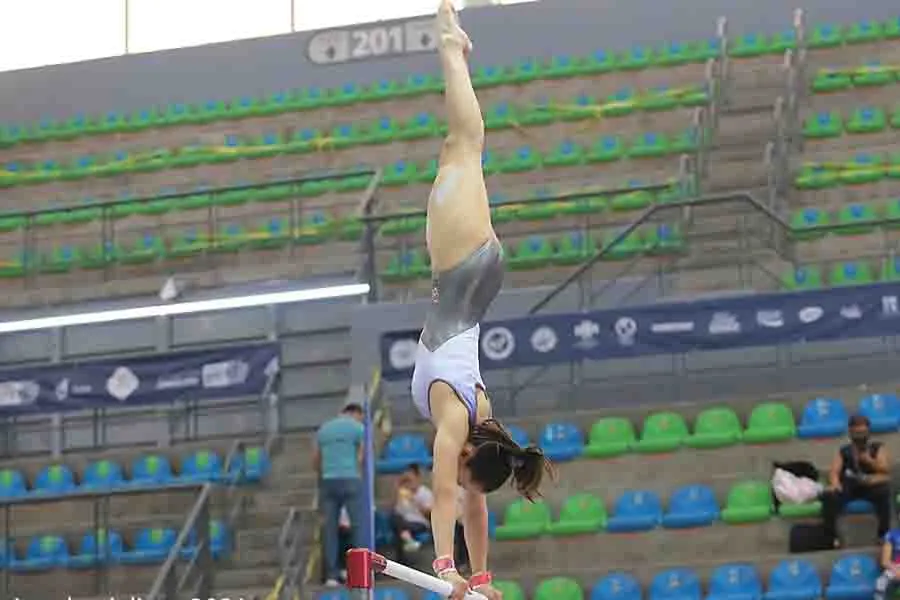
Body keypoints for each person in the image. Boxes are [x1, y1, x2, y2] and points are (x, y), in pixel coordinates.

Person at [409, 2, 555, 599]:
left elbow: (474, 501)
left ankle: (455, 52)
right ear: (469, 452)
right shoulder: (454, 418)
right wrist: (446, 568)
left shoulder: (486, 421)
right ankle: (451, 47)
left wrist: (483, 577)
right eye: (464, 466)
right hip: (460, 268)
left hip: (481, 275)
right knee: (463, 144)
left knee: (463, 147)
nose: (457, 471)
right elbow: (448, 491)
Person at [313, 403, 365, 586]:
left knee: (329, 531)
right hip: (350, 478)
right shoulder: (357, 428)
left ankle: (331, 576)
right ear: (355, 414)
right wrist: (357, 473)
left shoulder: (323, 430)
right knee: (358, 527)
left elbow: (316, 459)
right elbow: (361, 455)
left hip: (328, 480)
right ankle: (360, 573)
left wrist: (323, 476)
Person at [821, 415, 892, 547]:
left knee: (884, 491)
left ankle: (883, 535)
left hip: (871, 485)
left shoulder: (877, 448)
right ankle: (832, 538)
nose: (860, 436)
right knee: (829, 496)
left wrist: (869, 461)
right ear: (850, 432)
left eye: (863, 432)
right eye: (857, 433)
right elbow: (834, 472)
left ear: (868, 432)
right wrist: (836, 484)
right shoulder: (844, 451)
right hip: (850, 485)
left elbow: (885, 469)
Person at [391, 464, 434, 562]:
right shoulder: (402, 492)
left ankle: (402, 558)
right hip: (403, 521)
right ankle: (408, 539)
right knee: (396, 520)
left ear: (417, 478)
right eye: (406, 480)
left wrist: (414, 499)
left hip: (419, 522)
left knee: (399, 528)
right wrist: (397, 488)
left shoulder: (425, 492)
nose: (409, 482)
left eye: (410, 479)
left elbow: (429, 514)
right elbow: (394, 509)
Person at [876, 525, 900, 600]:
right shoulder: (892, 534)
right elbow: (885, 561)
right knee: (881, 582)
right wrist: (897, 571)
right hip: (895, 567)